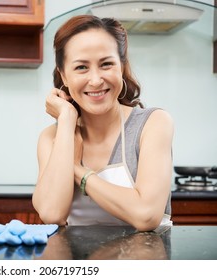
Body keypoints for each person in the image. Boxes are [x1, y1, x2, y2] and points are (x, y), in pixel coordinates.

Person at [32, 15, 174, 232]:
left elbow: (146, 215)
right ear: (64, 76)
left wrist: (76, 169)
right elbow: (52, 213)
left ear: (121, 67)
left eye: (106, 64)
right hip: (81, 264)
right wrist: (67, 120)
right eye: (81, 67)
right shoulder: (51, 137)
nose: (96, 80)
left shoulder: (153, 124)